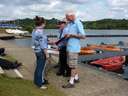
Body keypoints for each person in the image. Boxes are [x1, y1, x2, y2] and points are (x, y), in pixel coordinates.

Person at [62, 11, 86, 88]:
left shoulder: (78, 23)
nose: (66, 19)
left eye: (67, 17)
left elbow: (83, 36)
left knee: (72, 66)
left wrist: (72, 35)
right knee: (71, 64)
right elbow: (68, 33)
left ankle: (71, 82)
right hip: (69, 47)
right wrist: (67, 35)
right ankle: (76, 78)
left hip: (74, 48)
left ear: (72, 16)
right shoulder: (70, 24)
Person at [32, 16, 48, 89]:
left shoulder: (34, 30)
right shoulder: (40, 32)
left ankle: (36, 81)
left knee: (38, 67)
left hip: (36, 51)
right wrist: (47, 54)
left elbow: (37, 41)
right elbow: (43, 45)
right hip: (41, 52)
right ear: (42, 24)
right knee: (40, 69)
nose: (45, 25)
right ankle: (40, 84)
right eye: (45, 23)